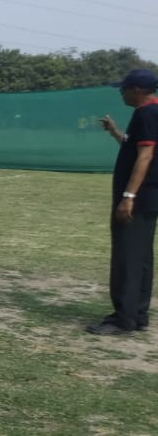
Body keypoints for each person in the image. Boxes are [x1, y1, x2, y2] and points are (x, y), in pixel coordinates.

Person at [90, 70, 158, 335]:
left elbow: (145, 156)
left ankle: (124, 319)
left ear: (138, 90)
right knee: (140, 257)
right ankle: (137, 314)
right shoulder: (147, 113)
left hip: (139, 198)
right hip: (147, 198)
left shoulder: (147, 114)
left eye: (125, 88)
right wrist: (115, 132)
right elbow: (133, 148)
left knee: (127, 257)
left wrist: (128, 197)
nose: (121, 92)